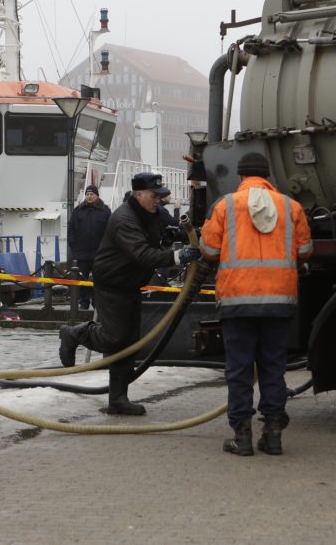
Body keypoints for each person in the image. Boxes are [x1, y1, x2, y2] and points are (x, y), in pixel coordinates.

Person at [199, 151, 313, 456]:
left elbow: (209, 250)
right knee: (273, 368)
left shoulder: (224, 206)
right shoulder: (292, 207)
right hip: (279, 301)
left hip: (237, 301)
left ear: (240, 177)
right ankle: (273, 435)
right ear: (268, 178)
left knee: (239, 369)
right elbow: (305, 250)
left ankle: (242, 436)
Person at [58, 172, 200, 415]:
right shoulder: (125, 219)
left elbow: (161, 232)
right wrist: (177, 255)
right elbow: (142, 254)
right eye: (154, 196)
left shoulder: (150, 213)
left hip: (131, 283)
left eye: (160, 196)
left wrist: (174, 236)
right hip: (112, 282)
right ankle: (75, 334)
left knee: (129, 342)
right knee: (115, 338)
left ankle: (118, 400)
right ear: (138, 194)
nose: (158, 200)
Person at [68, 185, 111, 310]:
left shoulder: (105, 211)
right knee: (82, 279)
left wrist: (106, 249)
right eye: (87, 194)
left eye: (92, 194)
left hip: (99, 254)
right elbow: (71, 230)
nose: (89, 196)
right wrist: (74, 247)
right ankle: (84, 302)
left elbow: (110, 231)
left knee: (99, 280)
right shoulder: (78, 211)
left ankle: (97, 303)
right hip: (81, 253)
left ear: (97, 195)